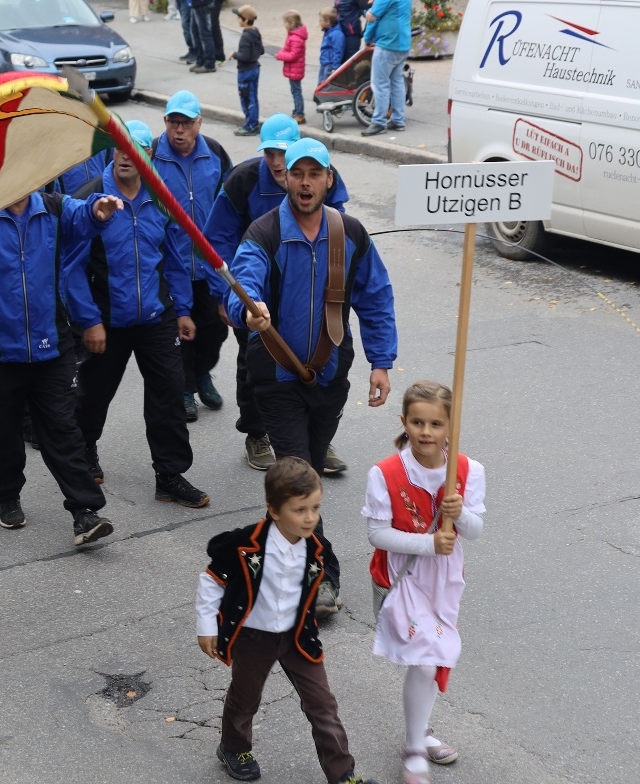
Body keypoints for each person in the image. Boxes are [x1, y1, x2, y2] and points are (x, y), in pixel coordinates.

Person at [227, 137, 397, 617]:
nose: (305, 183)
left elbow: (376, 297)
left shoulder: (350, 233)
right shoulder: (264, 232)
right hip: (276, 379)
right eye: (296, 173)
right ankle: (322, 578)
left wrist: (381, 362)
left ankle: (279, 550)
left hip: (330, 377)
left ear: (328, 179)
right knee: (301, 480)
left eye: (314, 174)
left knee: (306, 477)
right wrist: (248, 309)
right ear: (286, 178)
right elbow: (241, 283)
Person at [0, 189, 120, 546]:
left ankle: (85, 512)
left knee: (63, 429)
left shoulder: (54, 207)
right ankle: (7, 496)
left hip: (52, 345)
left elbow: (84, 218)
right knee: (2, 432)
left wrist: (99, 209)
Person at [196, 456, 379, 784]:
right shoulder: (246, 545)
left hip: (298, 636)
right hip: (254, 636)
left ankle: (343, 774)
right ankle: (233, 747)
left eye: (315, 508)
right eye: (300, 510)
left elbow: (321, 577)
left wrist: (324, 594)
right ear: (274, 509)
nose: (310, 518)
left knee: (322, 705)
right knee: (245, 699)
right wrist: (207, 625)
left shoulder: (316, 547)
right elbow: (212, 579)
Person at [66, 120, 209, 510]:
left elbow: (175, 259)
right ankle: (85, 448)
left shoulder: (161, 197)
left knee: (169, 392)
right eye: (120, 147)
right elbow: (70, 267)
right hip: (105, 319)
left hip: (156, 317)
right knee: (93, 394)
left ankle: (170, 475)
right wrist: (88, 319)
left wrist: (183, 310)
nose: (126, 156)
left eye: (136, 149)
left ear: (150, 155)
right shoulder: (90, 199)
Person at [202, 115, 350, 476]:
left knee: (317, 357)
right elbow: (217, 238)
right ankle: (256, 433)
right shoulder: (243, 179)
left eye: (284, 153)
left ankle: (315, 436)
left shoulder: (322, 173)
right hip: (253, 293)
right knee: (254, 365)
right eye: (270, 153)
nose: (277, 161)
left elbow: (338, 223)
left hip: (307, 287)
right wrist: (227, 295)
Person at [363, 381, 485, 784]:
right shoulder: (385, 473)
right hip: (403, 578)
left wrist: (460, 512)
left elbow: (475, 531)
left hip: (445, 579)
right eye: (417, 422)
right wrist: (428, 543)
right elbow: (377, 534)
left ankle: (420, 730)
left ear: (451, 426)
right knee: (428, 657)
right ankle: (415, 749)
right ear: (404, 422)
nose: (426, 432)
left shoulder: (468, 470)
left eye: (436, 424)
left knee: (434, 657)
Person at [151, 90, 231, 422]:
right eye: (173, 122)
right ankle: (184, 387)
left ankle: (201, 373)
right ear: (165, 122)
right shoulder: (152, 155)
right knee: (179, 328)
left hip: (210, 262)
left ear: (199, 123)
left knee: (215, 328)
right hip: (171, 261)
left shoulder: (215, 153)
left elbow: (230, 199)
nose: (179, 130)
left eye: (185, 123)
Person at [361, 0, 411, 136]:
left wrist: (367, 38)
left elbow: (373, 17)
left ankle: (379, 122)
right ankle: (398, 120)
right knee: (397, 82)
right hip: (403, 43)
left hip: (387, 43)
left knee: (380, 84)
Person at [230, 5, 264, 137]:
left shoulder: (245, 36)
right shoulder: (256, 32)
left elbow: (245, 56)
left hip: (246, 72)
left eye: (239, 17)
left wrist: (234, 54)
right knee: (253, 97)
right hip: (255, 68)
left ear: (245, 20)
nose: (237, 20)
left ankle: (250, 125)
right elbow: (261, 50)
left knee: (246, 100)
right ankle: (254, 123)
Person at [275, 10, 307, 123]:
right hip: (294, 69)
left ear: (292, 23)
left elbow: (293, 55)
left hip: (295, 70)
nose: (284, 25)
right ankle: (297, 110)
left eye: (285, 22)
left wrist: (280, 55)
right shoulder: (293, 36)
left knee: (296, 92)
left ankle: (299, 114)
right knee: (295, 91)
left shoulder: (295, 38)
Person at [185, 0, 216, 73]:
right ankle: (200, 61)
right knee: (195, 32)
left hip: (202, 4)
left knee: (205, 34)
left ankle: (209, 64)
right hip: (195, 4)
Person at [318, 8, 344, 85]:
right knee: (320, 84)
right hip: (324, 62)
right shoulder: (328, 31)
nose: (319, 22)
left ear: (328, 22)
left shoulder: (336, 34)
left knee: (325, 85)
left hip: (329, 64)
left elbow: (338, 51)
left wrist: (335, 67)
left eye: (321, 20)